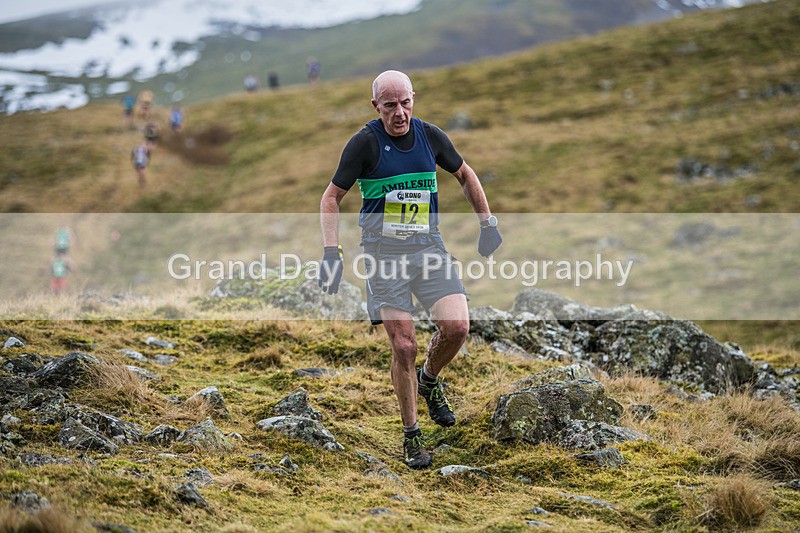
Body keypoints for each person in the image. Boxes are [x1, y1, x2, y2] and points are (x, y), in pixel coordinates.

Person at [318, 70, 502, 469]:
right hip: (384, 256)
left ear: (413, 99)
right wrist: (331, 252)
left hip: (428, 247)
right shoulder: (364, 144)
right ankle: (411, 436)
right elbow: (331, 198)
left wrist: (487, 223)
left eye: (405, 103)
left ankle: (430, 380)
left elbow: (465, 174)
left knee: (457, 328)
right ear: (375, 107)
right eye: (389, 106)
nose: (399, 113)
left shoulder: (430, 136)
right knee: (404, 345)